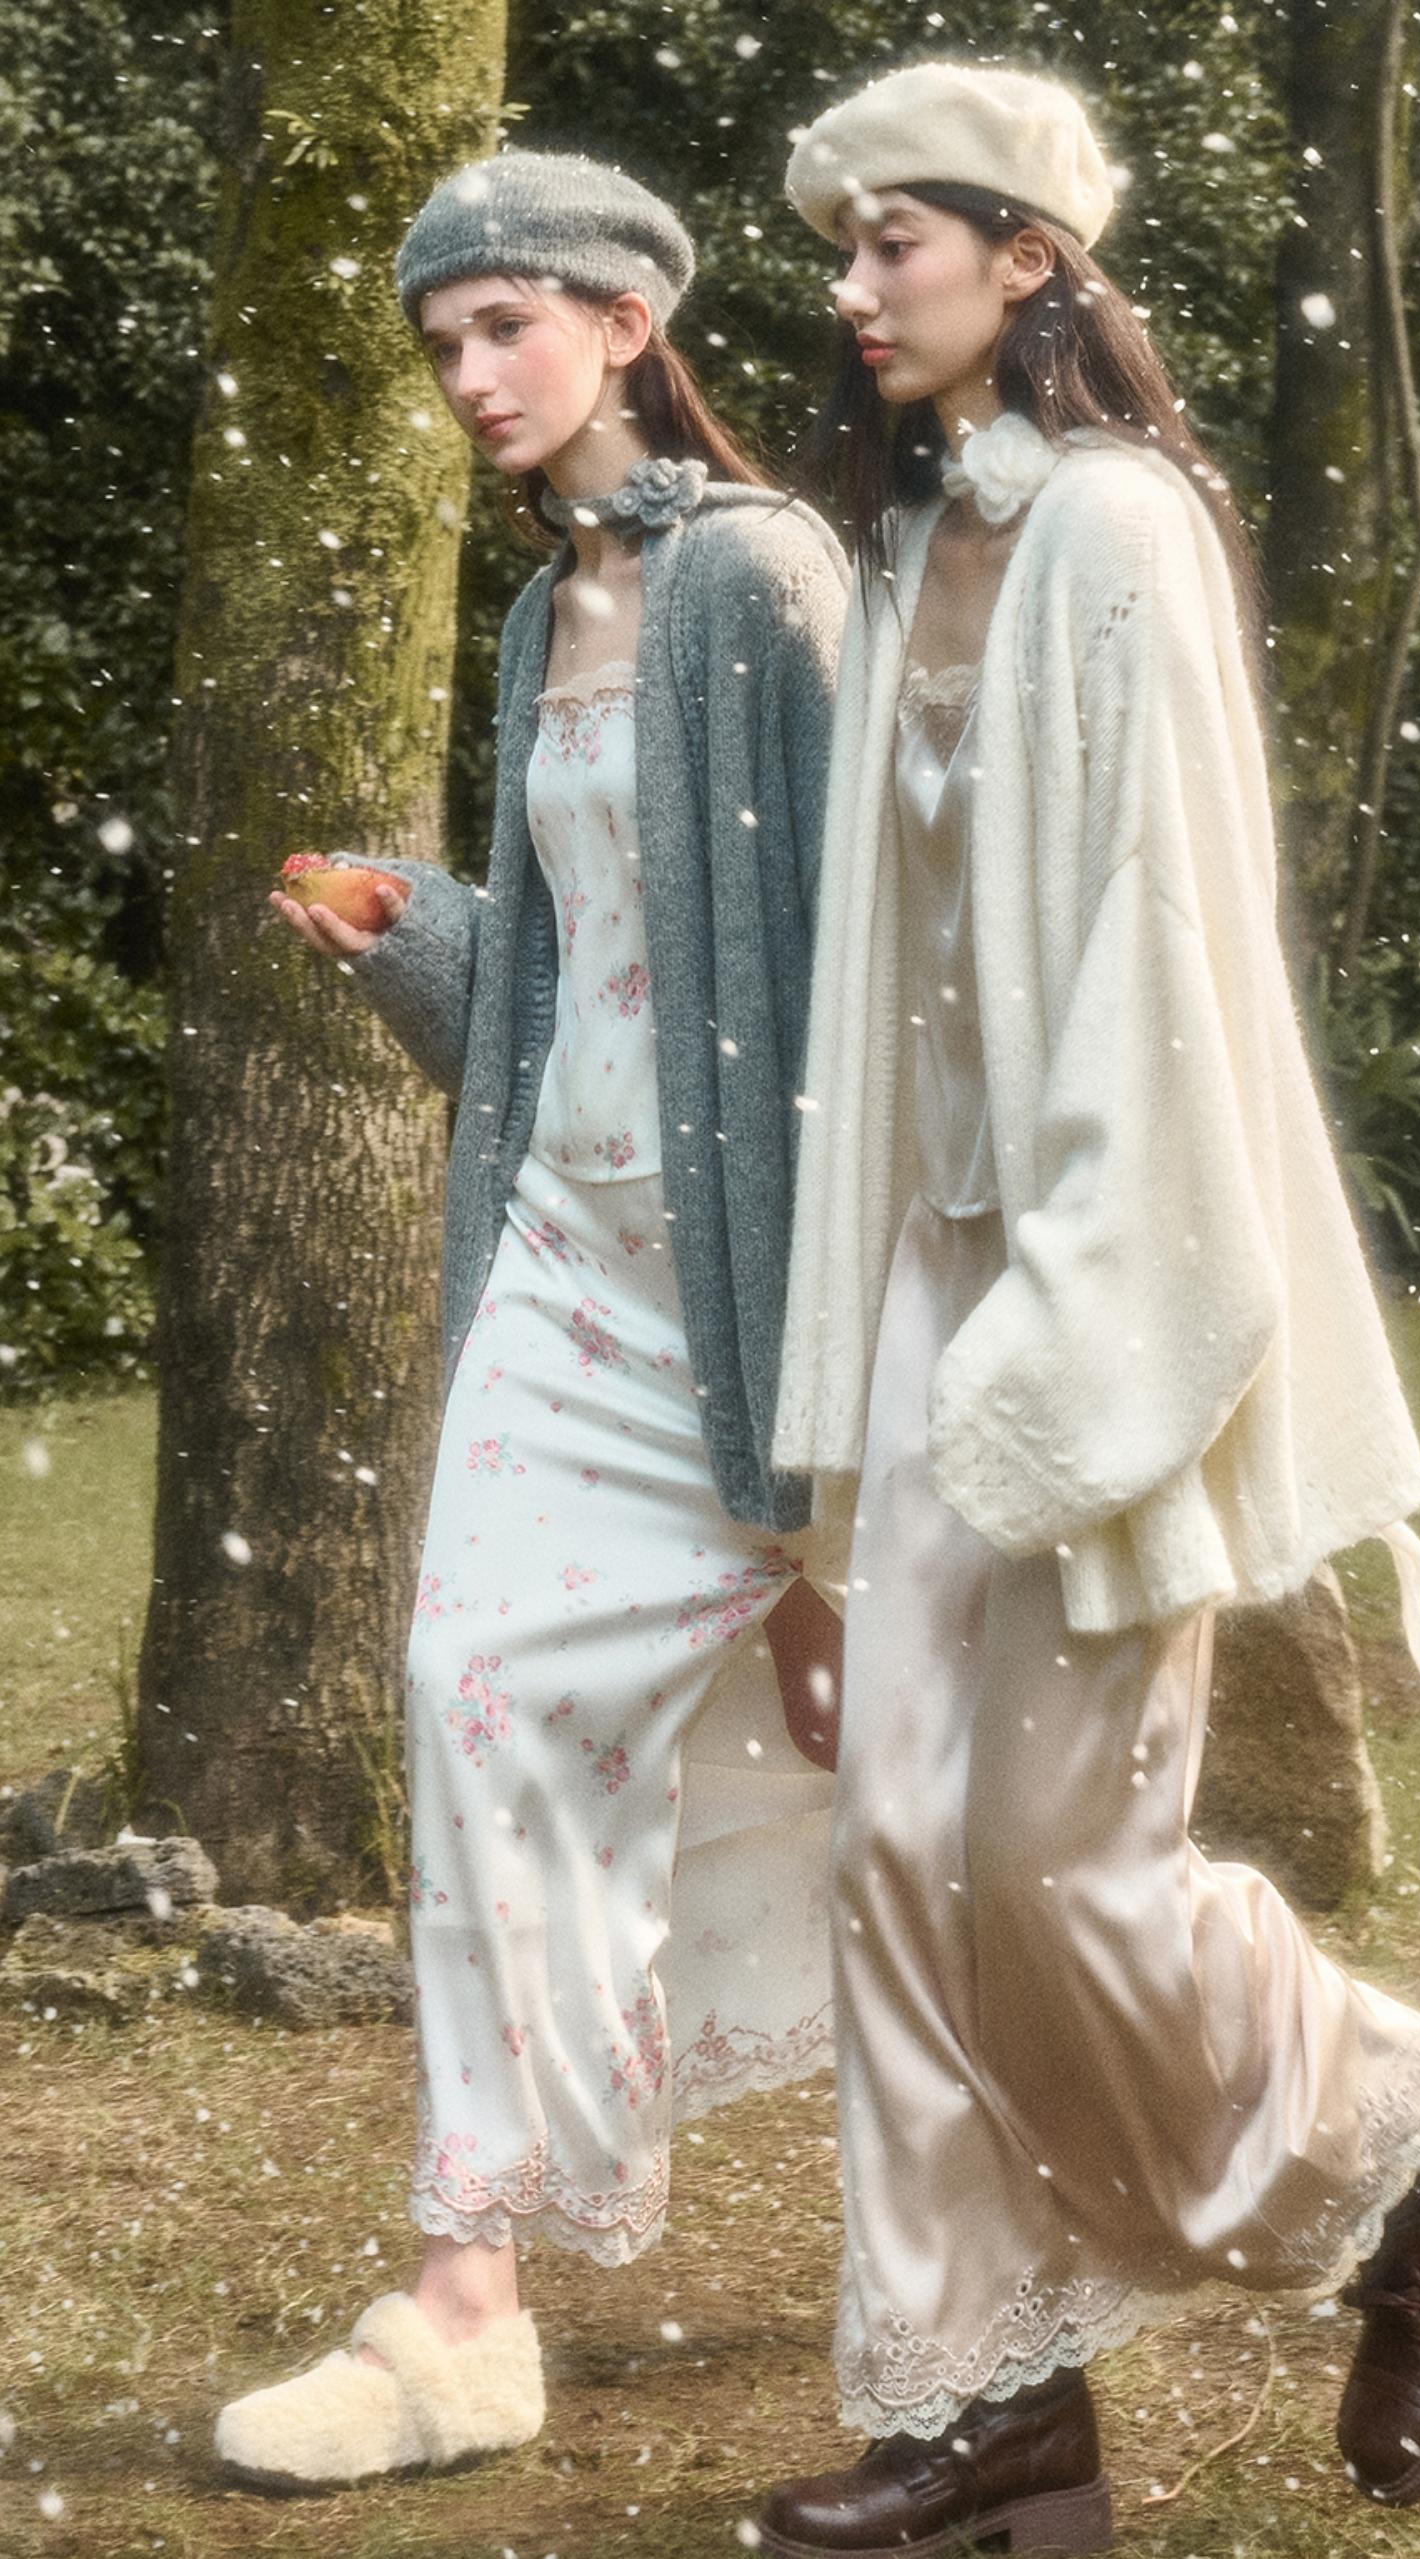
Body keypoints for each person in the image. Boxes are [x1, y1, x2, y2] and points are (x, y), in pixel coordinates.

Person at [758, 63, 1420, 2555]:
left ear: (1029, 254)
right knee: (894, 1854)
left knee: (1057, 1860)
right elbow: (882, 984)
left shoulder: (1118, 527)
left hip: (1104, 1281)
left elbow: (1171, 958)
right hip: (928, 1273)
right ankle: (985, 2392)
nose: (852, 284)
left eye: (894, 239)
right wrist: (856, 1380)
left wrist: (1079, 1312)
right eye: (842, 247)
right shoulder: (917, 540)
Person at [214, 147, 850, 2491]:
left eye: (508, 326)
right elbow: (587, 979)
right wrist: (423, 937)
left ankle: (1297, 2130)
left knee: (937, 1795)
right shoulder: (537, 614)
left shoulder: (758, 577)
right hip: (562, 1267)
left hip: (734, 1290)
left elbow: (848, 990)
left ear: (622, 320)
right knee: (469, 1692)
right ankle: (465, 2300)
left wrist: (828, 1474)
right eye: (442, 342)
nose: (472, 374)